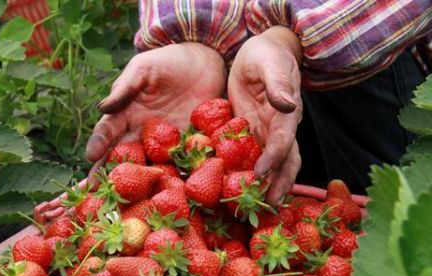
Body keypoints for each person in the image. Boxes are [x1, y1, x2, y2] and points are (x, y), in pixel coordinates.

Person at [85, 0, 432, 204]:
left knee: (396, 232)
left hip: (368, 39)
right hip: (255, 70)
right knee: (277, 200)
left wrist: (287, 37)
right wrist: (196, 39)